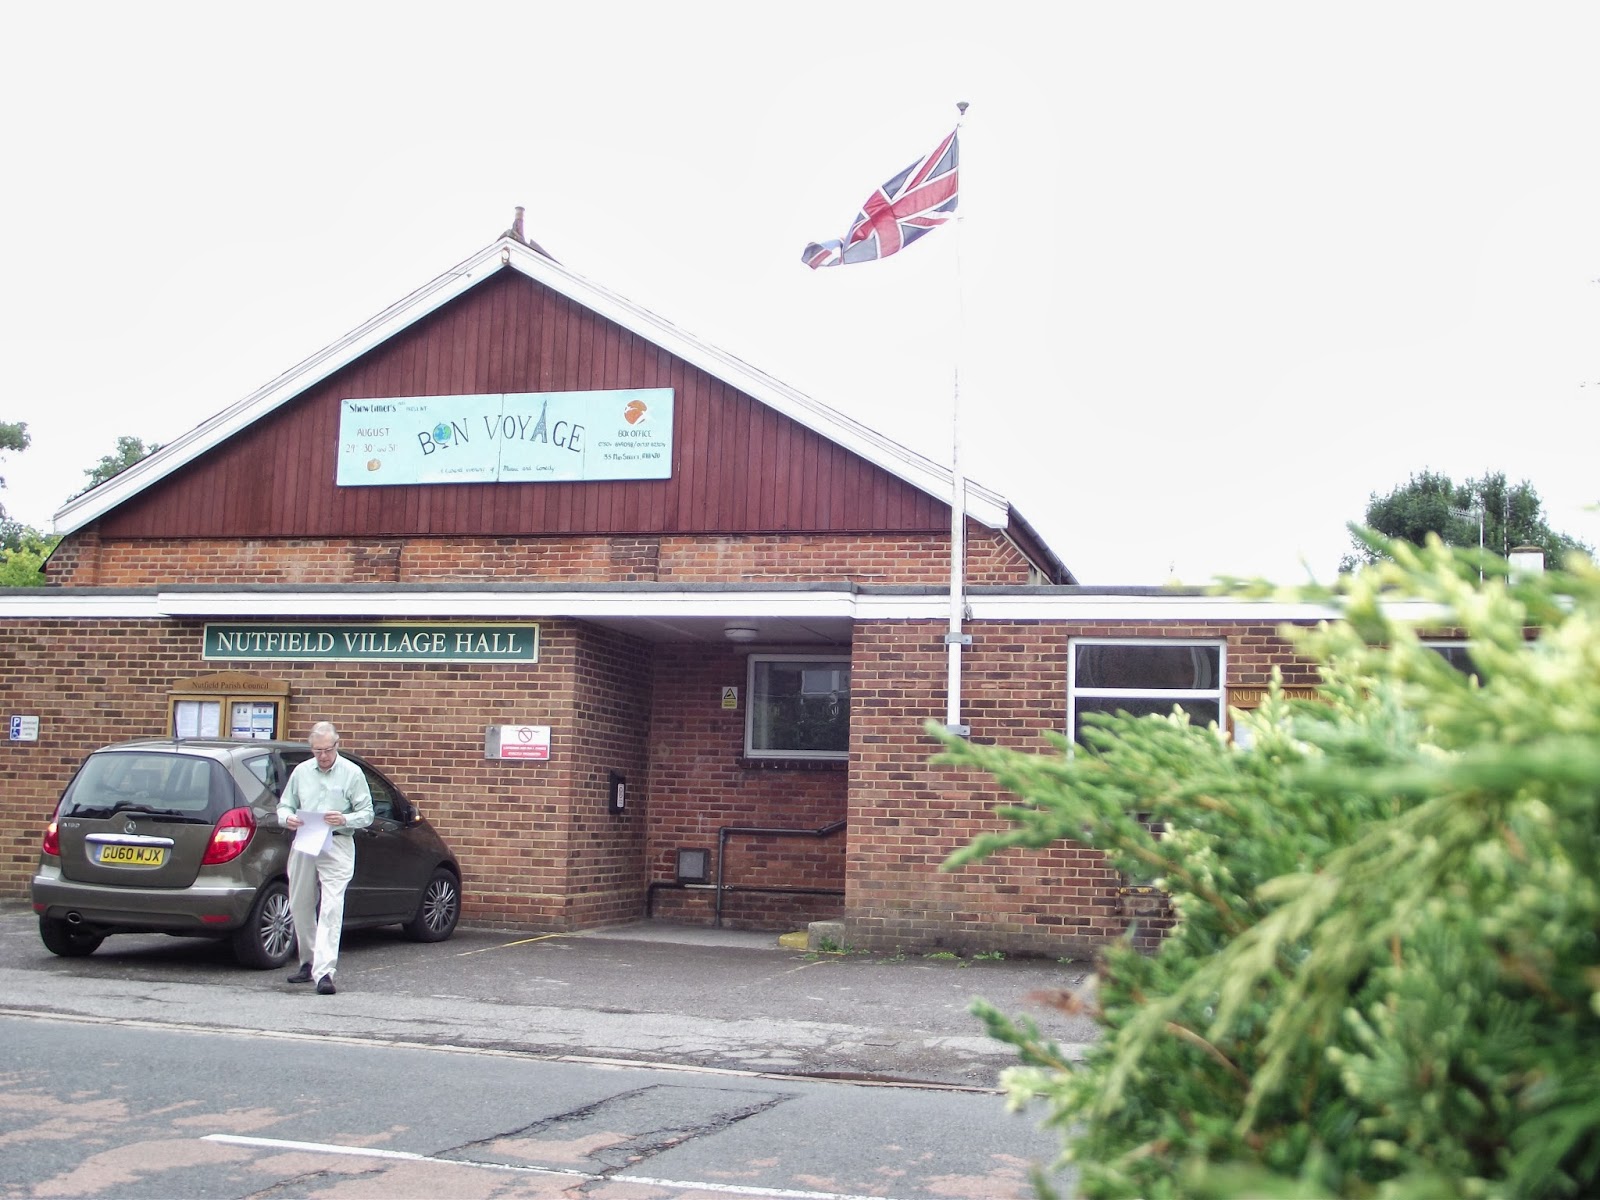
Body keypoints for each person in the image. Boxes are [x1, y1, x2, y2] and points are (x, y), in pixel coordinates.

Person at [277, 721, 373, 994]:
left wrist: (344, 818)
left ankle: (325, 972)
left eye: (327, 750)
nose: (322, 756)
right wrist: (288, 818)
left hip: (338, 841)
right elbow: (285, 804)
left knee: (331, 906)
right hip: (306, 838)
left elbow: (367, 813)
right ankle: (308, 961)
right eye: (317, 751)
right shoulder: (302, 772)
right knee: (300, 902)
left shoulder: (352, 773)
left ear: (337, 745)